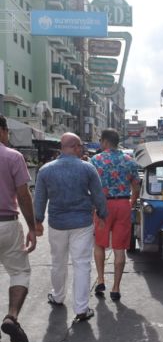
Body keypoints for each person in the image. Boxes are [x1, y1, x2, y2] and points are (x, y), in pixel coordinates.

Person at [34, 132, 107, 322]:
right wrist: (102, 214)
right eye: (80, 145)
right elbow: (98, 195)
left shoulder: (45, 170)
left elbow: (40, 198)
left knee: (58, 261)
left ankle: (58, 296)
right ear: (75, 146)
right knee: (81, 264)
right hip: (82, 223)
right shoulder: (87, 168)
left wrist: (38, 221)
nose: (82, 148)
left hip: (57, 223)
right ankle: (81, 309)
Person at [0, 115, 37, 342]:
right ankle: (11, 317)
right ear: (3, 131)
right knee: (20, 272)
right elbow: (23, 195)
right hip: (7, 224)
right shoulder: (13, 156)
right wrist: (32, 227)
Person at [91, 128, 140, 301]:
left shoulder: (96, 160)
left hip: (103, 206)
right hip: (123, 204)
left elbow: (90, 187)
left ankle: (101, 279)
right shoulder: (129, 161)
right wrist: (131, 202)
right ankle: (116, 288)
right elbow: (136, 187)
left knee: (99, 244)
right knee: (120, 249)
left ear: (104, 141)